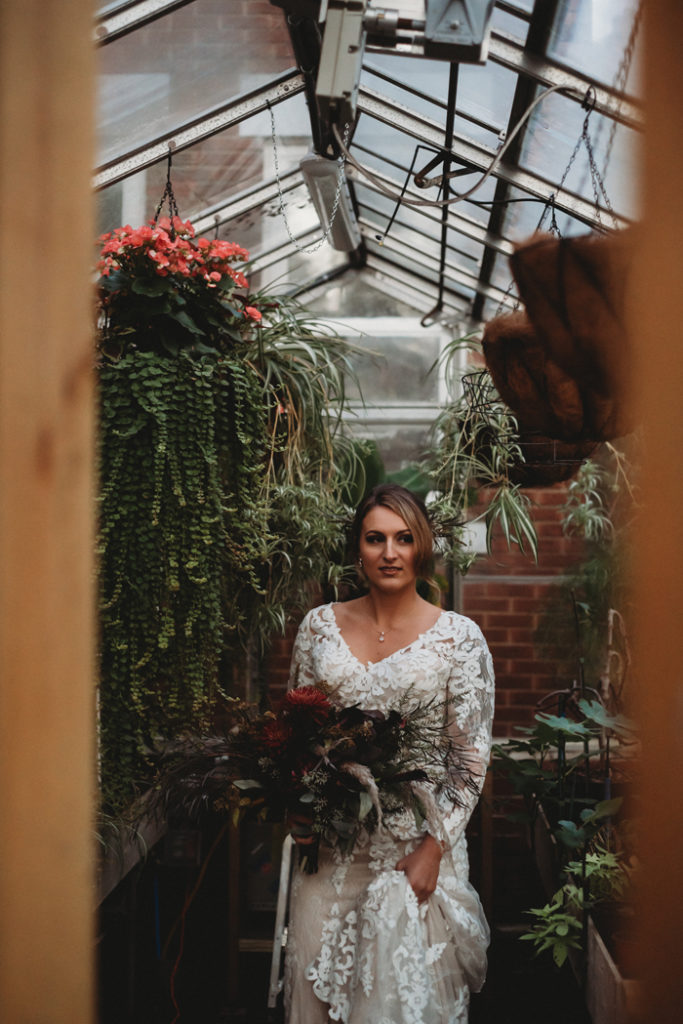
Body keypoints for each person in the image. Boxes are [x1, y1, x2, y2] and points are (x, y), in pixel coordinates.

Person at [284, 483, 494, 1024]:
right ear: (359, 548)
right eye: (375, 538)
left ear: (421, 546)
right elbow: (299, 731)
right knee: (315, 999)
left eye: (403, 538)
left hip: (413, 856)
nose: (389, 552)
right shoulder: (318, 628)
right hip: (330, 859)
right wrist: (298, 803)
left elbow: (468, 760)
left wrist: (433, 849)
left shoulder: (459, 639)